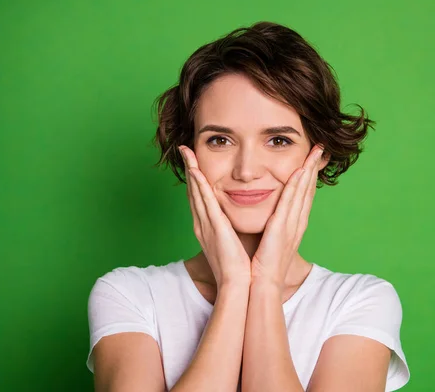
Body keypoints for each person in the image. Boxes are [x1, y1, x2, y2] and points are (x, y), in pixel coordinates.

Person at [86, 21, 410, 392]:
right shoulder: (129, 294)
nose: (246, 170)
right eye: (220, 140)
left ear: (319, 154)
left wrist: (267, 286)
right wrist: (235, 287)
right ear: (188, 150)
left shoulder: (359, 302)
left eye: (278, 140)